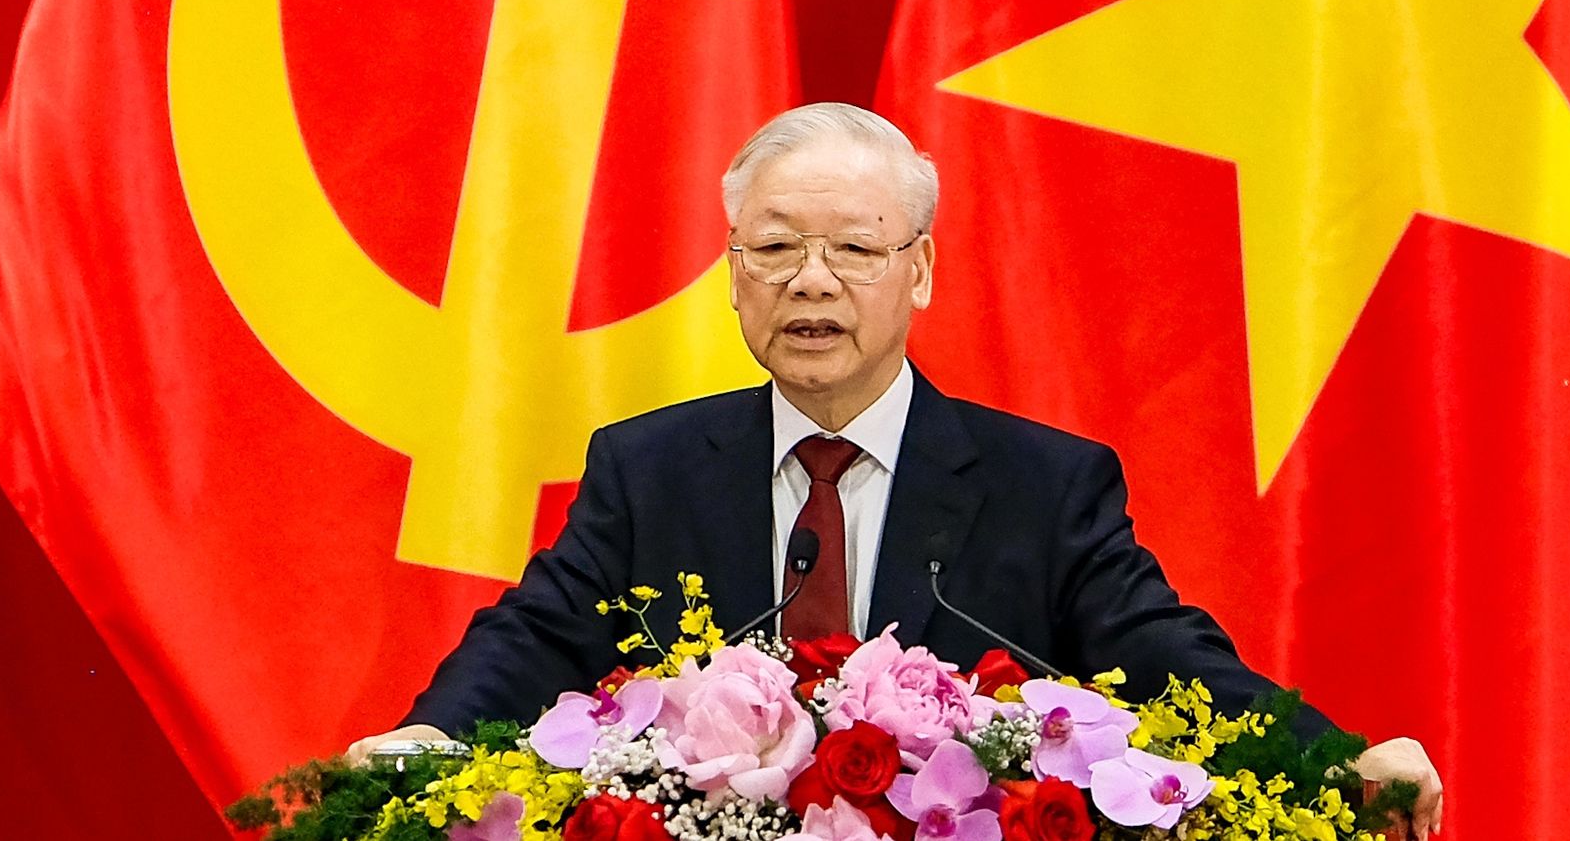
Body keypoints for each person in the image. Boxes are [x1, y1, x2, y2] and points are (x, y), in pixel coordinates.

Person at [348, 104, 1443, 836]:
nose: (810, 281)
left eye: (855, 250)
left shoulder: (1043, 486)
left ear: (917, 271)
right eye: (774, 247)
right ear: (732, 272)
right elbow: (537, 634)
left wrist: (1327, 762)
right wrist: (428, 742)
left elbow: (1160, 655)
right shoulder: (650, 469)